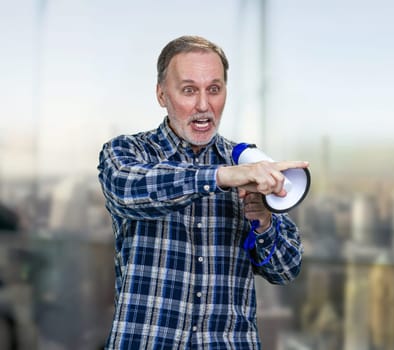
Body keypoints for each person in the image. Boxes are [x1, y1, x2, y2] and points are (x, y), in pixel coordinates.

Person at [97, 35, 309, 349]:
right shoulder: (128, 151)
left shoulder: (247, 166)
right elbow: (127, 188)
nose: (203, 105)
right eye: (188, 90)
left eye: (214, 89)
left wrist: (264, 221)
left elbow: (286, 269)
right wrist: (222, 176)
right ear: (161, 94)